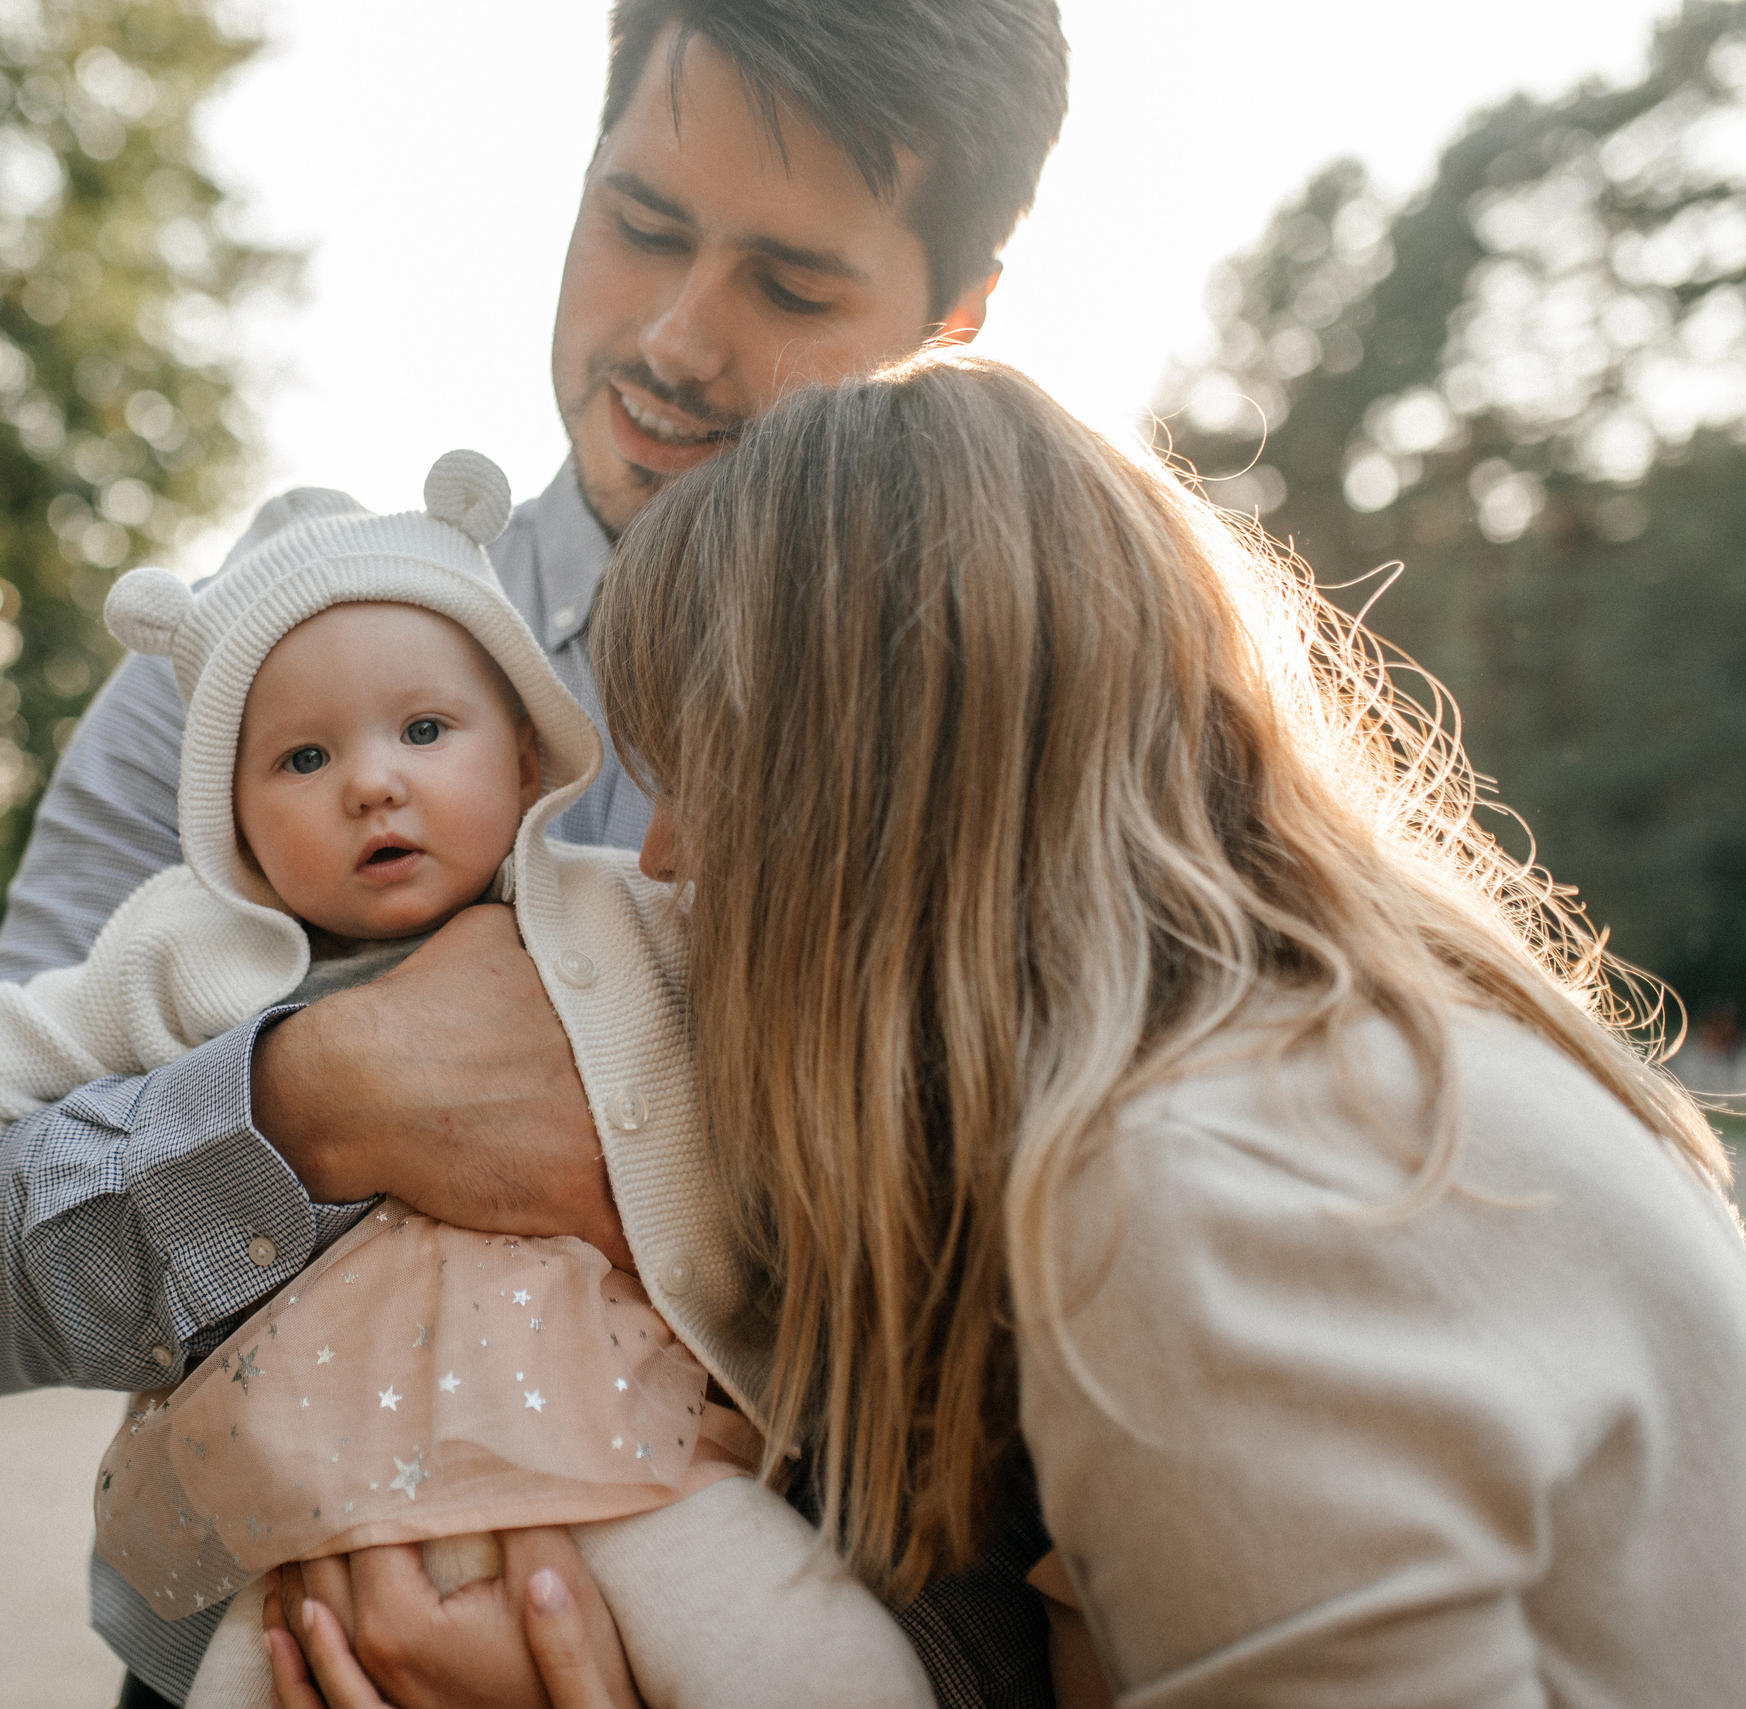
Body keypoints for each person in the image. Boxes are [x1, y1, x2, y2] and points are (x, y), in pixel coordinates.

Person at [0, 4, 1072, 1705]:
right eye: (640, 221)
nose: (673, 339)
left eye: (792, 286)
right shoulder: (263, 670)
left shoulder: (1029, 735)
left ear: (956, 312)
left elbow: (1072, 1426)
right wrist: (311, 1101)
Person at [334, 354, 1737, 1707]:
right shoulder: (1352, 1072)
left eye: (699, 777)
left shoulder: (1211, 1201)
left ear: (867, 802)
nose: (661, 858)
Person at [0, 454, 929, 1708]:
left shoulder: (623, 907)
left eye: (424, 730)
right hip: (309, 1494)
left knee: (816, 1663)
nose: (371, 781)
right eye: (303, 758)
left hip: (625, 1444)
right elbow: (14, 1036)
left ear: (528, 758)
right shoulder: (193, 953)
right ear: (232, 823)